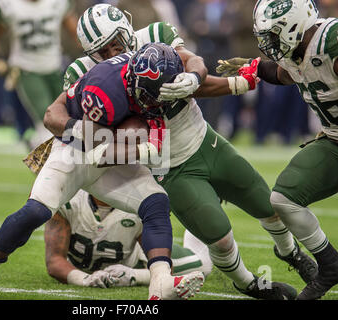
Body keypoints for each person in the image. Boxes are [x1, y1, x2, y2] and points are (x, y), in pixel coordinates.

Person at [45, 4, 317, 299]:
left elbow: (192, 62)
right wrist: (94, 137)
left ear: (127, 30)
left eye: (116, 43)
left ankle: (291, 254)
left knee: (267, 205)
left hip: (203, 140)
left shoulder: (153, 35)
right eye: (102, 50)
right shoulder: (85, 73)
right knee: (220, 236)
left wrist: (195, 77)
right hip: (168, 166)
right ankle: (247, 282)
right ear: (89, 53)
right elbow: (57, 115)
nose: (112, 53)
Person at [0, 46, 206, 302]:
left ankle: (161, 284)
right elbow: (93, 148)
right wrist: (140, 147)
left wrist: (202, 78)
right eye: (149, 95)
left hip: (114, 153)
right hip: (77, 149)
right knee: (36, 210)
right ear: (134, 79)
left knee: (156, 202)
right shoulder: (104, 88)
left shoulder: (166, 73)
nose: (154, 103)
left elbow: (193, 62)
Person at [218, 0, 338, 300]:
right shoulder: (298, 49)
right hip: (335, 141)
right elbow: (288, 74)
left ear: (294, 26)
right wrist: (256, 68)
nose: (267, 43)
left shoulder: (333, 42)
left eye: (273, 35)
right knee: (283, 199)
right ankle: (331, 265)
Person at [44, 190, 212, 288]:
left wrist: (133, 275)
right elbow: (54, 261)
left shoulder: (140, 204)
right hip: (85, 267)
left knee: (204, 265)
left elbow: (167, 271)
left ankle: (203, 220)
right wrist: (84, 279)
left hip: (138, 257)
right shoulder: (68, 199)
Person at [0, 0, 79, 148]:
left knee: (68, 118)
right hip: (26, 70)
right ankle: (45, 159)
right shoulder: (9, 5)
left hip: (56, 69)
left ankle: (34, 143)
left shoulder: (58, 3)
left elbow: (76, 33)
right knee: (47, 120)